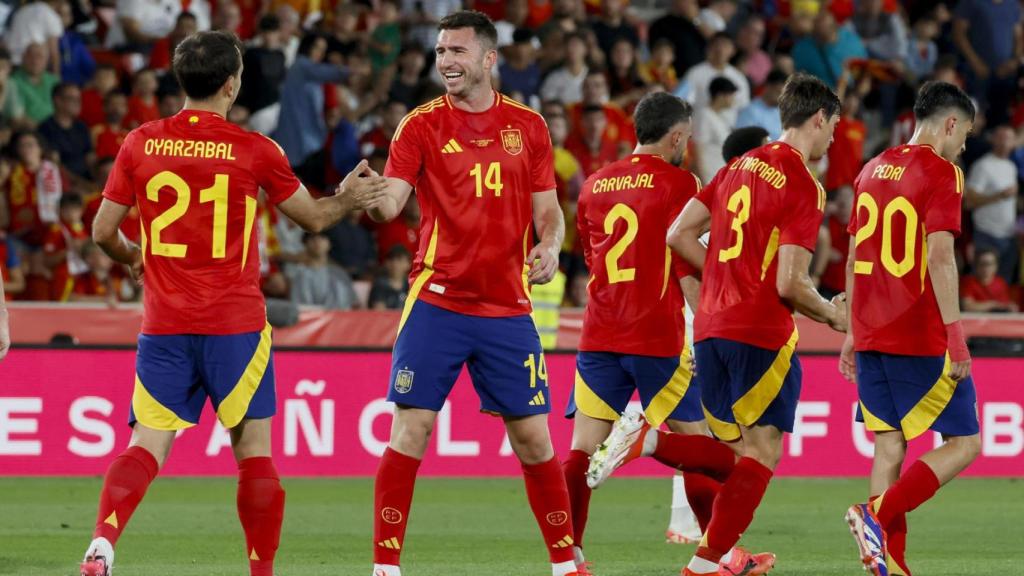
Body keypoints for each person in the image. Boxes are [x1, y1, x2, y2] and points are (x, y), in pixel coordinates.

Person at [78, 29, 388, 576]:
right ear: (231, 83)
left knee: (146, 444)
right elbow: (314, 219)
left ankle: (102, 543)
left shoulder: (140, 142)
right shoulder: (254, 149)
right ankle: (260, 571)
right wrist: (351, 197)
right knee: (254, 456)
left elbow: (103, 232)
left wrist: (132, 257)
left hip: (165, 325)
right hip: (235, 327)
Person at [362, 11, 575, 576]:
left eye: (456, 51)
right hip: (437, 300)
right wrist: (362, 196)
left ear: (488, 59)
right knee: (413, 428)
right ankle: (386, 567)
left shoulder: (529, 126)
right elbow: (390, 204)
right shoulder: (420, 125)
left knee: (534, 439)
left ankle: (565, 564)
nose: (446, 62)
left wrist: (550, 246)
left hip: (507, 307)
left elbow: (549, 211)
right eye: (439, 52)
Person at [563, 91, 774, 576]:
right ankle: (720, 557)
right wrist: (710, 328)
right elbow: (688, 264)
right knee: (701, 448)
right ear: (677, 136)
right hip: (657, 334)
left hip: (599, 331)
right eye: (687, 136)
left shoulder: (594, 184)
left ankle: (569, 558)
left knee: (580, 450)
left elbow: (595, 260)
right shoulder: (682, 183)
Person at [667, 73, 846, 576]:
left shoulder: (737, 166)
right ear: (818, 119)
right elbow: (790, 284)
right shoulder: (802, 185)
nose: (833, 136)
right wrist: (834, 313)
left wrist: (727, 272)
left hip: (710, 326)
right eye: (833, 125)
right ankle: (703, 565)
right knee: (764, 453)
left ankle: (722, 559)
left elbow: (678, 235)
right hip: (758, 331)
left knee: (736, 454)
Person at [840, 81, 981, 576]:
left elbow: (857, 256)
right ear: (949, 123)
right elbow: (940, 256)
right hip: (919, 333)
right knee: (965, 444)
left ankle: (888, 564)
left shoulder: (870, 168)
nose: (963, 144)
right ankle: (873, 517)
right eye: (964, 132)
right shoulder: (943, 172)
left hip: (873, 329)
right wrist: (956, 333)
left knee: (889, 445)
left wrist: (853, 332)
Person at [965, 125, 1020, 284]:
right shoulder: (983, 165)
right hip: (986, 235)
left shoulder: (1011, 167)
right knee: (981, 288)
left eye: (1009, 138)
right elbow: (969, 201)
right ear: (993, 140)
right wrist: (999, 196)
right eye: (1001, 137)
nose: (1005, 142)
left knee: (1002, 288)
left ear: (1014, 142)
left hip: (1008, 237)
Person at [961, 248, 1019, 313]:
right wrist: (992, 305)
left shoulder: (1000, 283)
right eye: (982, 264)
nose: (986, 268)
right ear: (976, 266)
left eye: (989, 264)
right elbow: (967, 306)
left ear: (996, 266)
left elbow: (1004, 305)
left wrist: (1010, 307)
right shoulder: (968, 282)